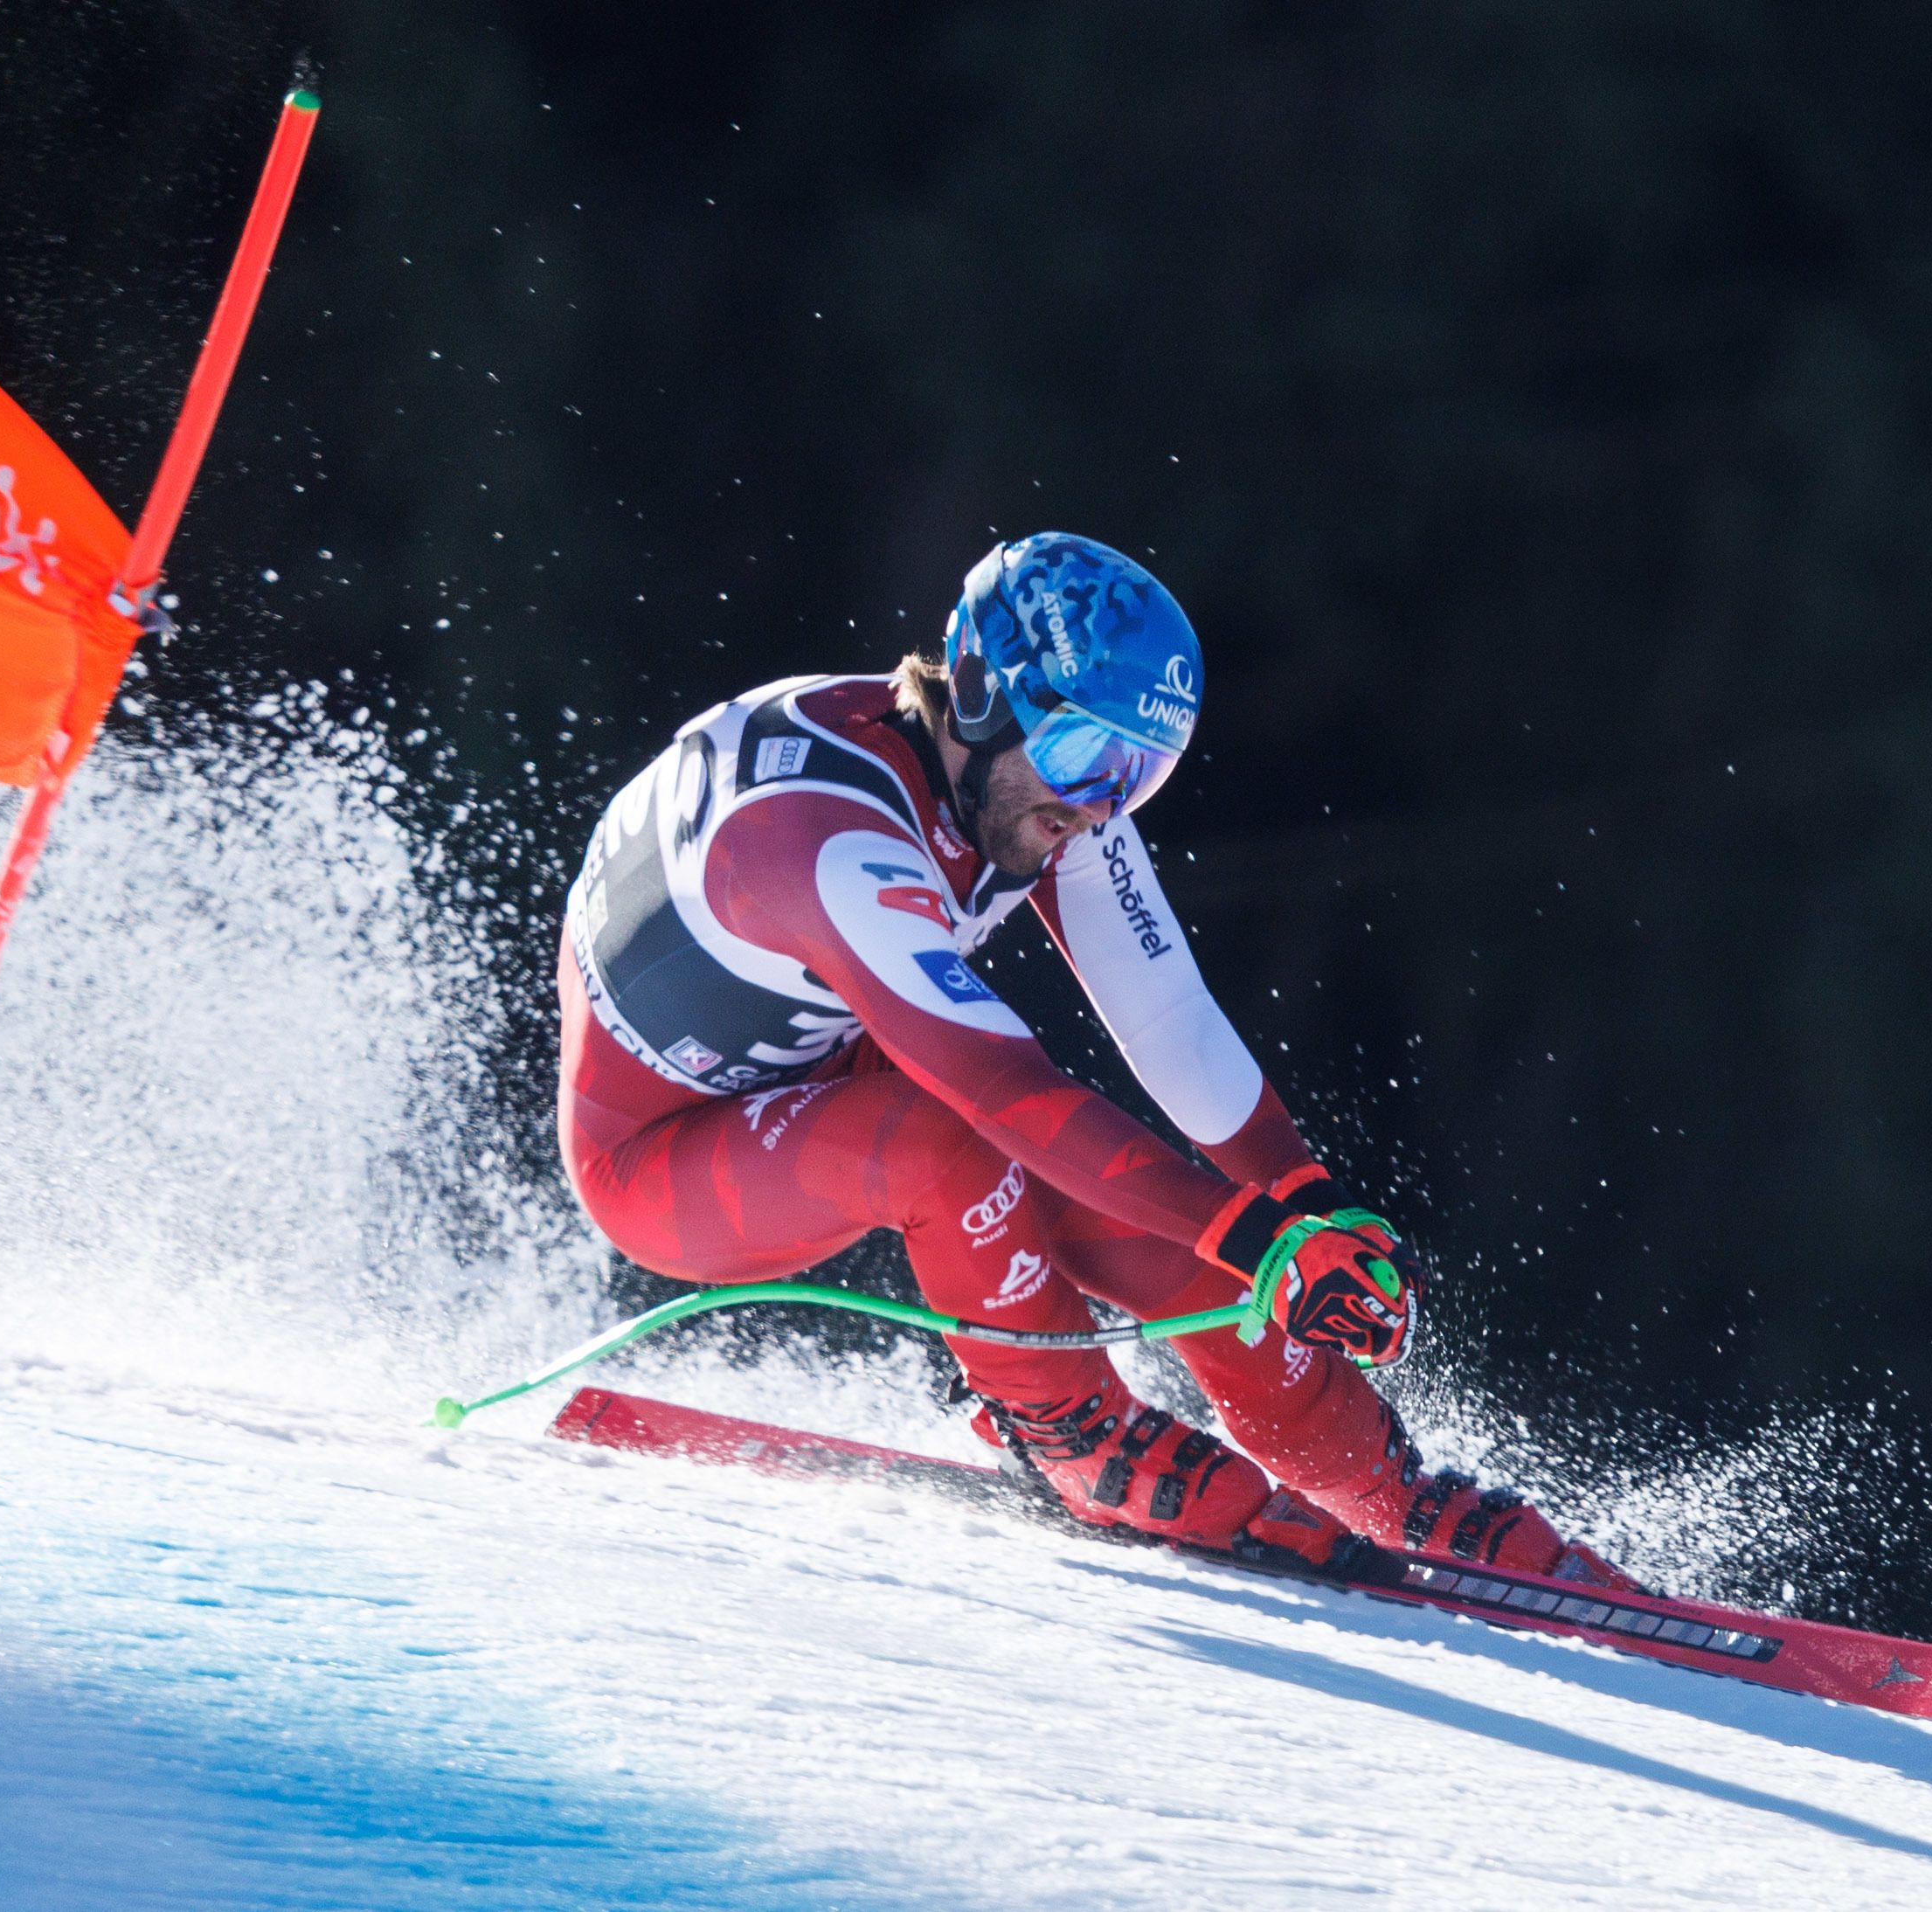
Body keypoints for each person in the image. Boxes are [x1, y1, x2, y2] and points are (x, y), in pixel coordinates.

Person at [555, 531, 1627, 1584]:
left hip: (831, 1071)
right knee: (960, 1146)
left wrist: (1304, 1204)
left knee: (1148, 1210)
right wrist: (1263, 1240)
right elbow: (1002, 1091)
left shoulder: (1032, 783)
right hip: (658, 1159)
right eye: (1085, 758)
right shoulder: (820, 832)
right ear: (978, 692)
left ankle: (1380, 1484)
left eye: (1141, 774)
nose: (1099, 805)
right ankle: (1070, 1431)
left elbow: (1167, 1015)